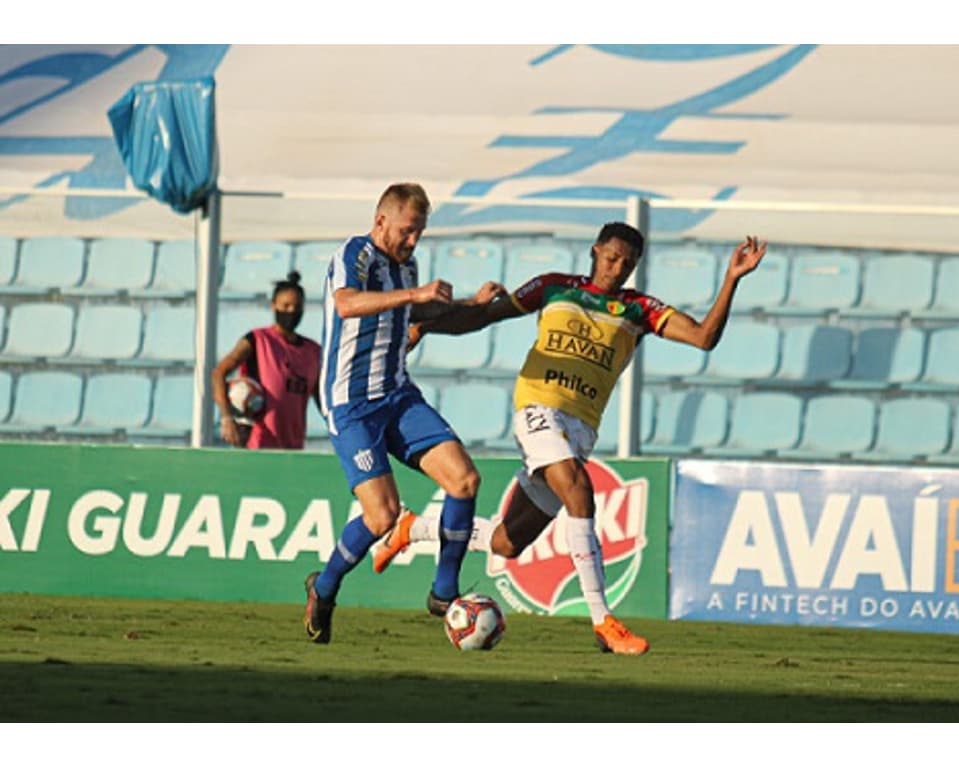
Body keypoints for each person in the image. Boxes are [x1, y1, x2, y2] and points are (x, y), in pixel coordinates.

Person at [372, 223, 768, 655]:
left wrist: (731, 279)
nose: (617, 269)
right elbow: (486, 315)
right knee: (580, 491)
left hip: (579, 429)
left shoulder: (637, 309)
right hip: (538, 409)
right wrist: (427, 324)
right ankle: (603, 620)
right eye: (612, 258)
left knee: (508, 542)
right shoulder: (554, 287)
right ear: (595, 252)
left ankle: (414, 527)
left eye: (628, 264)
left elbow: (703, 337)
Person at [303, 182, 503, 644]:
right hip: (351, 405)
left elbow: (417, 317)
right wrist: (415, 297)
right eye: (408, 231)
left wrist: (469, 305)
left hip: (396, 395)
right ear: (381, 221)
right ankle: (325, 586)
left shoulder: (405, 265)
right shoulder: (355, 254)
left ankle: (443, 592)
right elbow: (347, 303)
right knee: (382, 516)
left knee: (464, 480)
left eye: (420, 233)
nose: (414, 242)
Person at [212, 270, 321, 450]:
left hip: (293, 448)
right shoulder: (257, 340)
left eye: (296, 307)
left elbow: (322, 399)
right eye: (285, 306)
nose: (291, 311)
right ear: (273, 306)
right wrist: (226, 418)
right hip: (258, 444)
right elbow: (219, 373)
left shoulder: (313, 351)